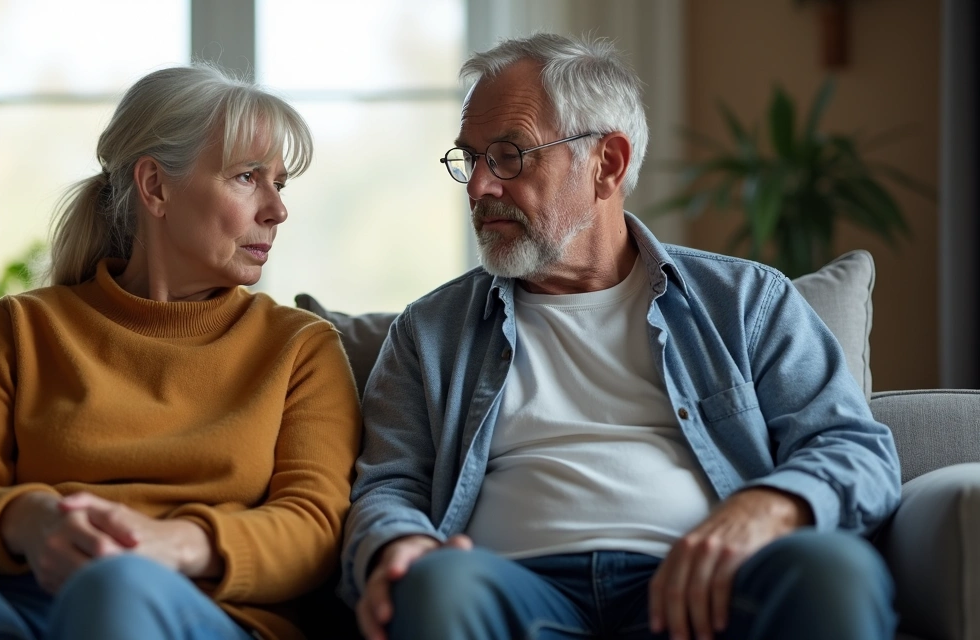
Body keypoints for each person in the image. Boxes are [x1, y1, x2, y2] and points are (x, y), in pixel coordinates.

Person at [340, 33, 900, 640]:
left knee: (834, 571)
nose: (478, 187)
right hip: (512, 593)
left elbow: (856, 450)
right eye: (469, 160)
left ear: (606, 163)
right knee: (437, 584)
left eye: (507, 155)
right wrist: (398, 543)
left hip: (705, 596)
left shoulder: (745, 302)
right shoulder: (430, 332)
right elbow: (389, 484)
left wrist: (772, 505)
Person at [0, 64, 362, 640]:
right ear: (155, 187)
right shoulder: (25, 327)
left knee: (115, 590)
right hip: (29, 601)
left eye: (279, 184)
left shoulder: (300, 347)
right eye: (247, 177)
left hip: (204, 614)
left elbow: (317, 526)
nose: (276, 209)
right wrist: (27, 520)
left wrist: (178, 544)